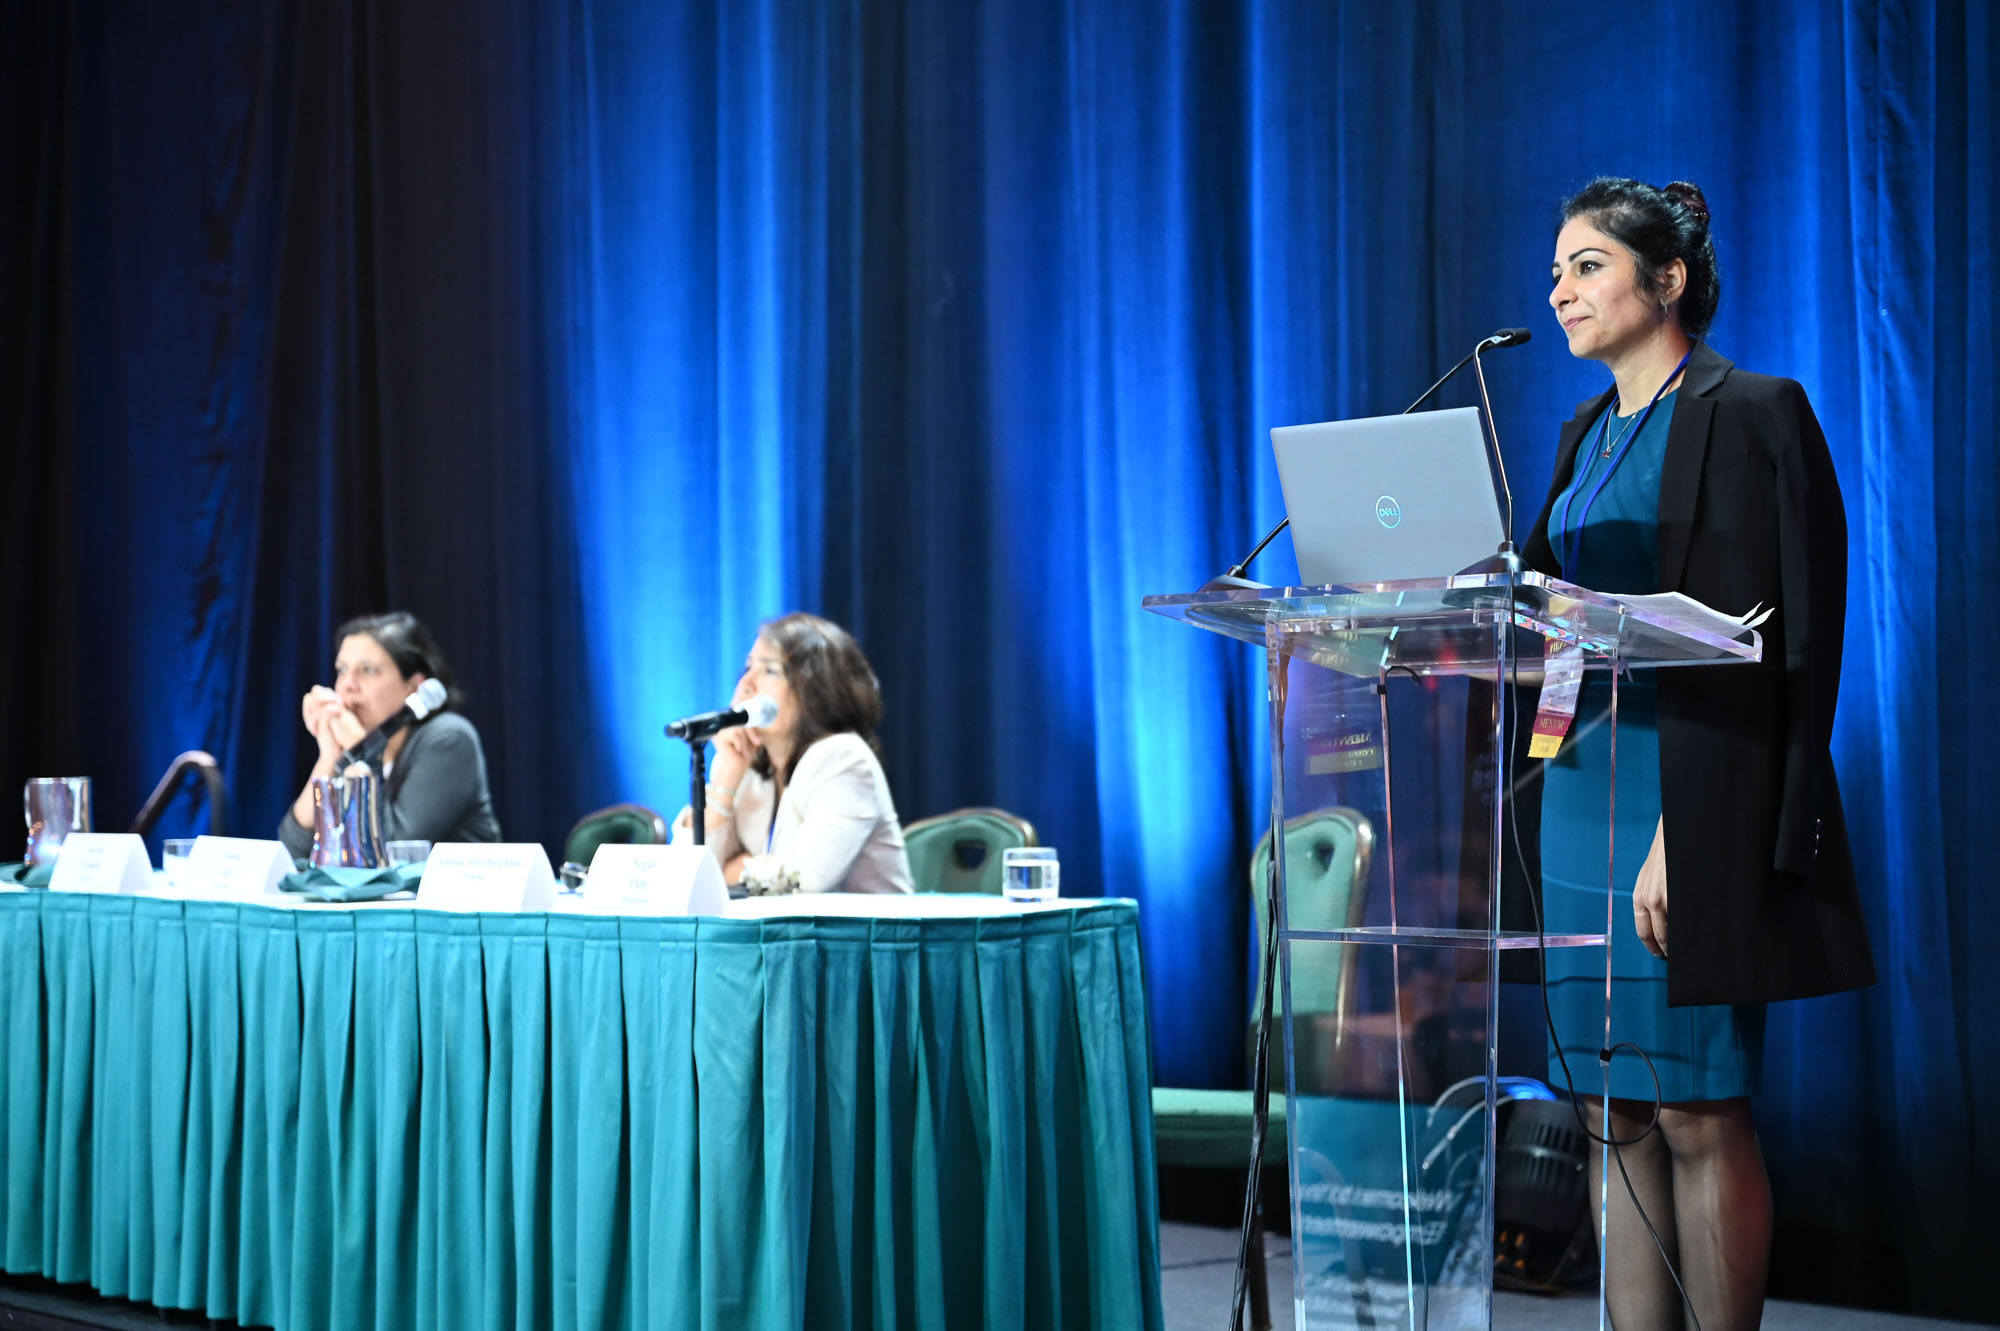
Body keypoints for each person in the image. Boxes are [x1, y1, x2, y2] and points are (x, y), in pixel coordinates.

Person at [1524, 178, 1874, 1331]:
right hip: (1577, 787)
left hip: (1691, 792)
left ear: (1664, 279)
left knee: (1692, 1105)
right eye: (1556, 270)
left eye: (1586, 266)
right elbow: (1554, 622)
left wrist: (1690, 827)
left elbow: (1788, 642)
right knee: (1608, 1108)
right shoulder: (1583, 433)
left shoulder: (1751, 411)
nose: (1558, 290)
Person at [681, 612, 913, 895]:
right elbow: (685, 877)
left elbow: (804, 881)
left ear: (817, 691)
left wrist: (733, 869)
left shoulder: (845, 760)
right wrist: (727, 776)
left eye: (769, 671)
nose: (746, 683)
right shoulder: (744, 763)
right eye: (748, 667)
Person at [279, 611, 501, 859]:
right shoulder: (354, 753)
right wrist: (329, 757)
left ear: (415, 687)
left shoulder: (449, 739)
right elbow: (292, 852)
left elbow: (393, 849)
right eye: (342, 670)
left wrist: (357, 748)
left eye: (367, 670)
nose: (347, 685)